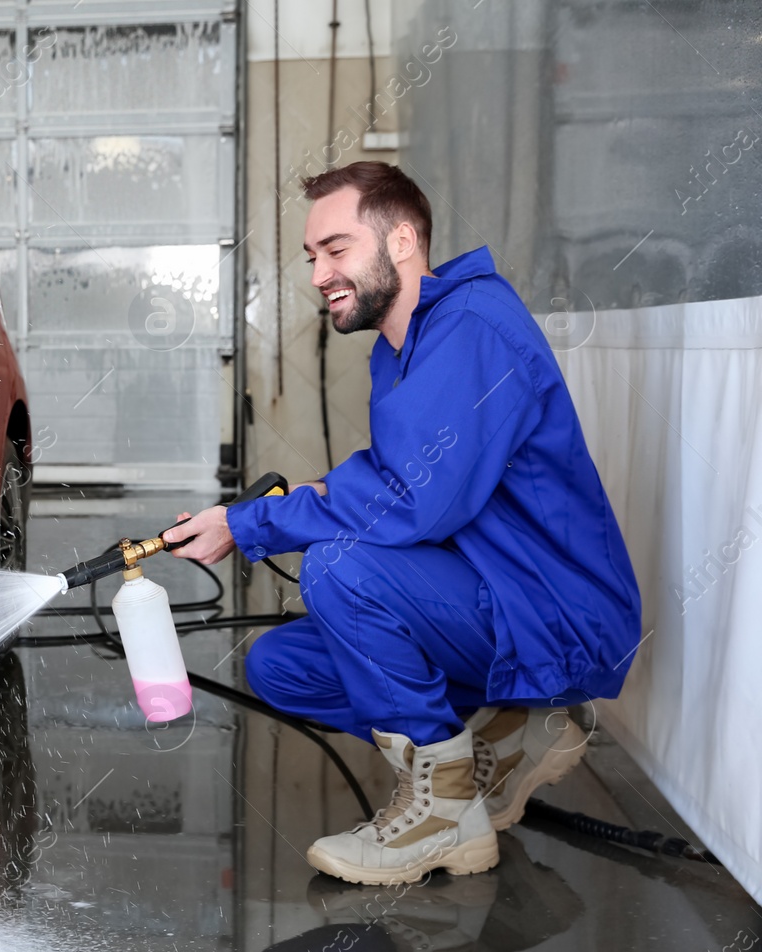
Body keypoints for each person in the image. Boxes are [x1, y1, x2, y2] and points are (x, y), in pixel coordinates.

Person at [165, 161, 641, 885]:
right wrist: (242, 518)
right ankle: (498, 737)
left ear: (404, 240)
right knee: (280, 666)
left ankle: (445, 816)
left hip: (553, 615)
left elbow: (408, 498)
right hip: (497, 599)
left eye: (337, 248)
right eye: (311, 257)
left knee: (340, 570)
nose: (320, 273)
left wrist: (254, 525)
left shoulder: (470, 330)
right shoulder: (406, 344)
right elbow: (401, 480)